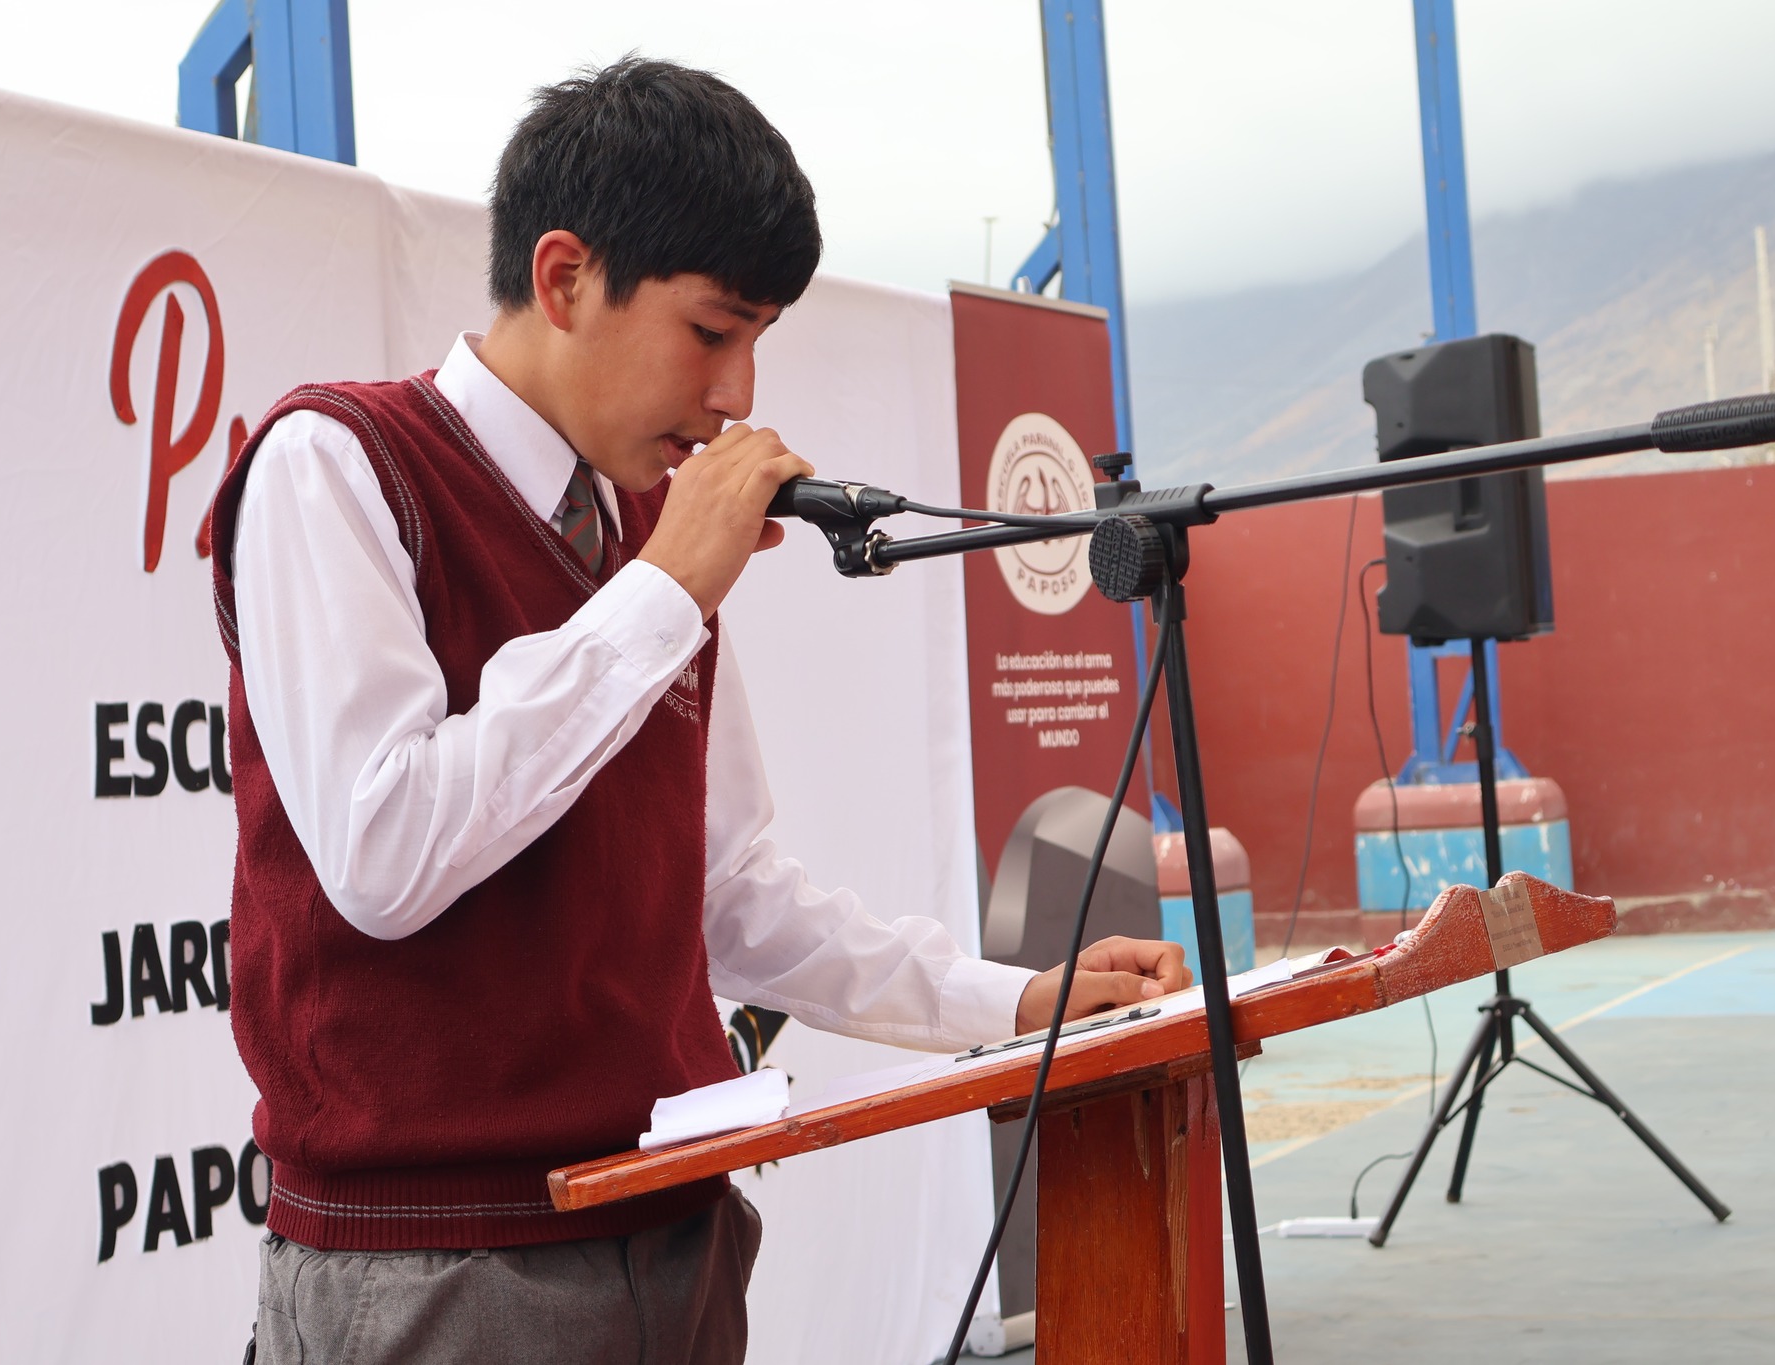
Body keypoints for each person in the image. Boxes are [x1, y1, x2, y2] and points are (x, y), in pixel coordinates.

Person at [210, 55, 1192, 1365]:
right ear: (563, 279)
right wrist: (667, 587)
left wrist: (1005, 999)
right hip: (444, 1262)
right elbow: (384, 852)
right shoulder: (336, 464)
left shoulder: (647, 542)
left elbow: (730, 893)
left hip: (674, 1224)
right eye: (712, 331)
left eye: (756, 345)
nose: (735, 396)